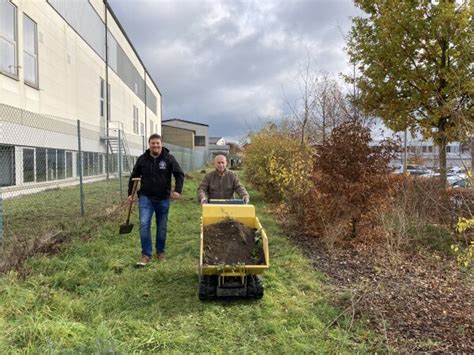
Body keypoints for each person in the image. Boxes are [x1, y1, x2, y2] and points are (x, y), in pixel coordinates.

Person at [128, 134, 184, 267]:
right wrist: (130, 194)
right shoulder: (142, 159)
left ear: (161, 143)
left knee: (162, 227)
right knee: (144, 225)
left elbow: (179, 174)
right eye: (153, 143)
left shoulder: (169, 158)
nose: (155, 145)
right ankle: (146, 254)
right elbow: (134, 176)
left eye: (157, 143)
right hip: (146, 198)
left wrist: (177, 190)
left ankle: (160, 252)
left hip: (163, 198)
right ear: (149, 144)